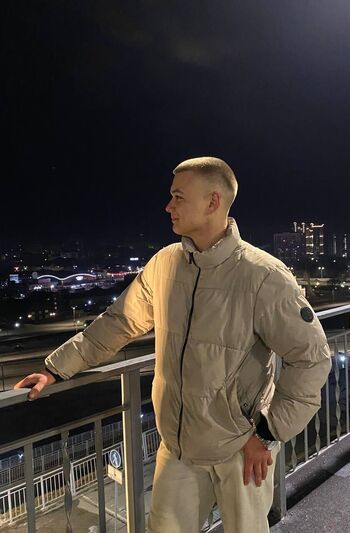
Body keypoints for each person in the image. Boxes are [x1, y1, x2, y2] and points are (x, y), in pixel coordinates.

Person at [15, 157, 332, 533]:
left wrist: (267, 433)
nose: (168, 206)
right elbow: (119, 322)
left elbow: (312, 359)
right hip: (178, 446)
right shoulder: (165, 264)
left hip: (240, 445)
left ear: (213, 202)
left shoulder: (262, 275)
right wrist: (55, 369)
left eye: (178, 197)